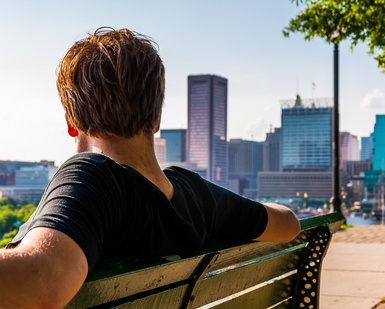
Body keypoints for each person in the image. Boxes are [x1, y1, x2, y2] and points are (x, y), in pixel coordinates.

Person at [1, 27, 300, 308]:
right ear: (156, 120)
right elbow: (288, 223)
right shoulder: (196, 196)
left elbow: (41, 281)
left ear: (71, 123)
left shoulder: (94, 181)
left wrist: (81, 163)